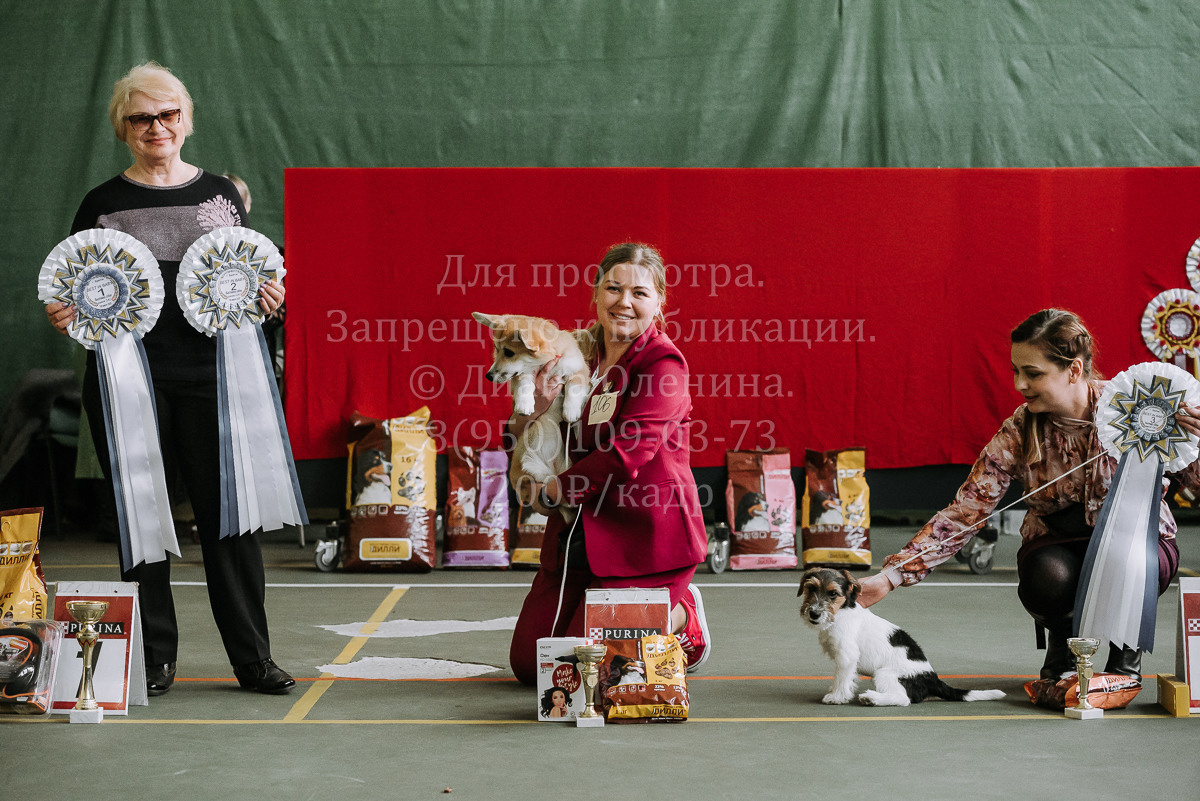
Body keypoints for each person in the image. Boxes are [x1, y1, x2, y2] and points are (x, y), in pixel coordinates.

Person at [43, 62, 294, 695]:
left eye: (168, 114)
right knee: (142, 516)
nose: (157, 127)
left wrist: (270, 298)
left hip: (214, 380)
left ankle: (252, 658)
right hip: (128, 383)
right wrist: (66, 314)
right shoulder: (101, 205)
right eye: (141, 117)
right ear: (122, 129)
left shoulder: (221, 197)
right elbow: (77, 293)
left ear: (186, 119)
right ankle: (153, 657)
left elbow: (249, 283)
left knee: (229, 522)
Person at [857, 309, 1200, 681]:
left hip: (1140, 544)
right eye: (1015, 371)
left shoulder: (1144, 412)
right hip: (1058, 542)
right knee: (1046, 578)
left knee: (1134, 560)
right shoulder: (1018, 430)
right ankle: (1064, 643)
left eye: (1033, 373)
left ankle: (1125, 657)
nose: (1019, 384)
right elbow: (965, 512)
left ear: (1073, 369)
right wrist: (890, 577)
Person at [507, 242, 710, 685]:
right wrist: (532, 410)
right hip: (582, 534)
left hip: (647, 539)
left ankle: (681, 616)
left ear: (659, 302)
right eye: (613, 288)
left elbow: (628, 452)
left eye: (639, 293)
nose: (624, 301)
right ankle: (651, 614)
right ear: (596, 294)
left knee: (581, 674)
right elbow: (521, 432)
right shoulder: (574, 351)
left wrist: (558, 489)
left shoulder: (663, 363)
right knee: (529, 667)